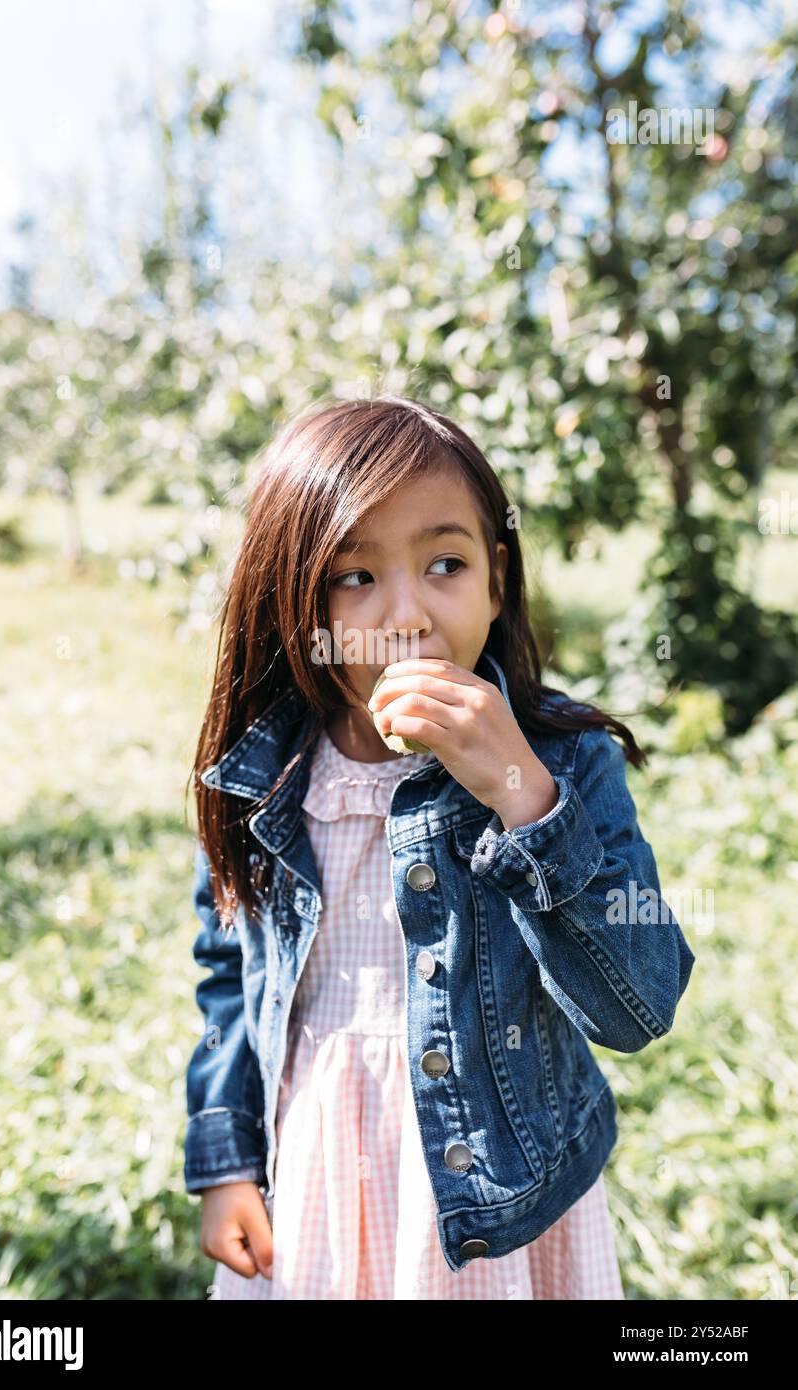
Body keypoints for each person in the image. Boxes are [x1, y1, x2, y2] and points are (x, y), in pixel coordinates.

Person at [184, 394, 695, 1300]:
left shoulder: (564, 762)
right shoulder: (264, 776)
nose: (407, 615)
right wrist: (227, 1157)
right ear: (291, 595)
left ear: (496, 582)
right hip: (320, 1180)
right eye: (354, 577)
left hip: (498, 1210)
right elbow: (232, 969)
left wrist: (520, 795)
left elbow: (640, 1004)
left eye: (446, 564)